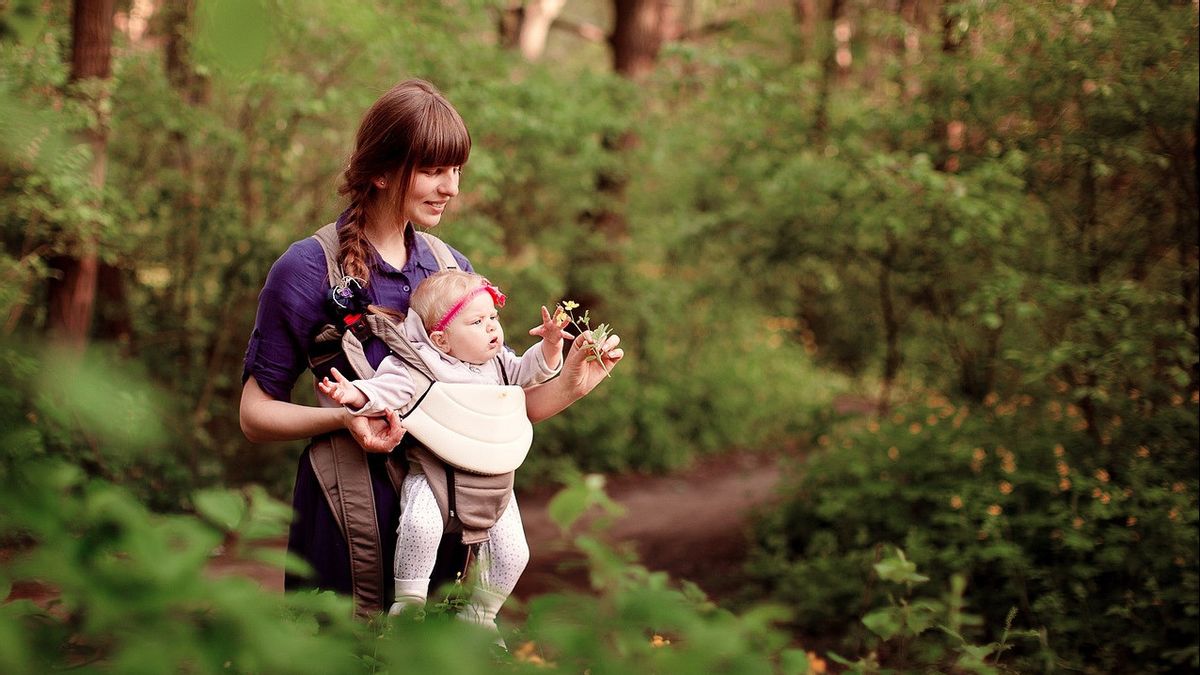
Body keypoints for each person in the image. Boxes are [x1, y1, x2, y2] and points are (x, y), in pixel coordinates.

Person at [238, 79, 623, 616]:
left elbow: (494, 402)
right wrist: (346, 420)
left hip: (448, 505)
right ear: (379, 171)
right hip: (347, 505)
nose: (451, 188)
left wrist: (573, 381)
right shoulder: (305, 269)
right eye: (432, 170)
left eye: (456, 171)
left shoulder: (451, 268)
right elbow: (255, 416)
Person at [317, 269, 569, 630]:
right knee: (420, 527)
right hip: (435, 472)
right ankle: (408, 606)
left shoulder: (497, 364)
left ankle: (480, 619)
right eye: (477, 321)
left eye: (494, 318)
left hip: (494, 476)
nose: (492, 328)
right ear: (442, 339)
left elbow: (530, 372)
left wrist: (550, 346)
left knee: (515, 554)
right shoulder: (418, 364)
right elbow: (384, 391)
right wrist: (354, 394)